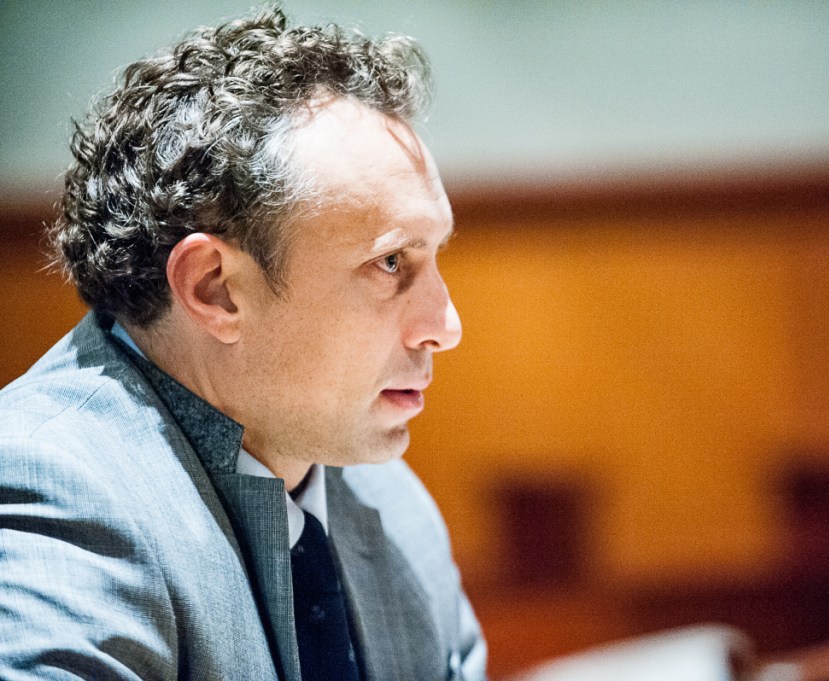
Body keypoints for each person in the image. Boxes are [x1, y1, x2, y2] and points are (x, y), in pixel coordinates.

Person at [0, 8, 486, 681]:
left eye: (434, 255)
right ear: (215, 288)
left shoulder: (392, 501)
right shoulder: (51, 488)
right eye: (391, 263)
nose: (446, 324)